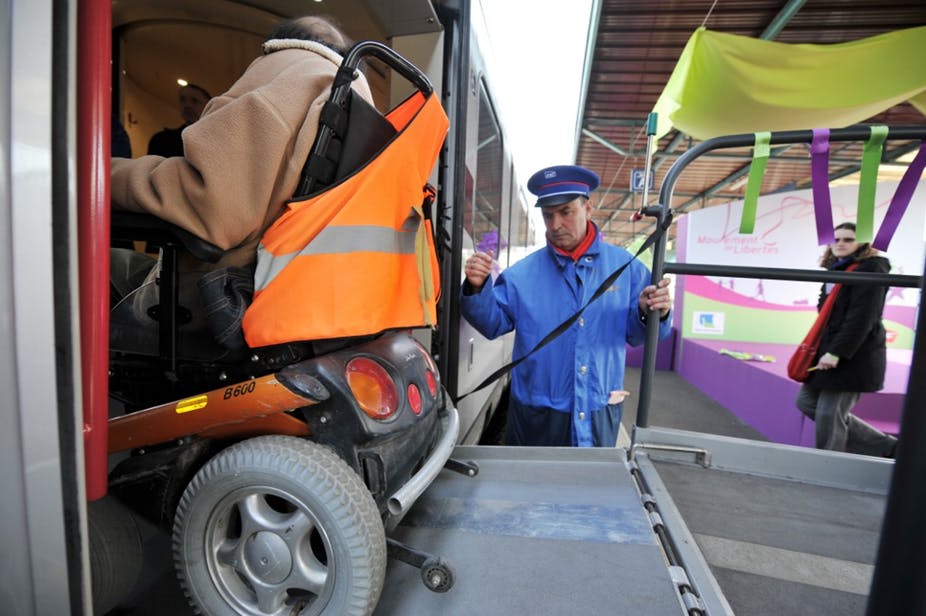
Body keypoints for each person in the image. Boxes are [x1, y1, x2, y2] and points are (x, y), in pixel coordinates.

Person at [110, 15, 372, 343]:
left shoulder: (286, 80)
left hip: (214, 302)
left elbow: (209, 207)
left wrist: (105, 178)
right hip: (297, 302)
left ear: (277, 48)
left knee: (103, 264)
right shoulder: (356, 103)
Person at [460, 164, 673, 447]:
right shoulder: (520, 276)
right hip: (538, 415)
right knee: (532, 487)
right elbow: (492, 324)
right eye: (548, 215)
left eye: (566, 212)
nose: (555, 224)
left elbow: (637, 336)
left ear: (588, 208)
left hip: (599, 410)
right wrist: (476, 287)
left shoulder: (627, 268)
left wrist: (652, 312)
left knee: (591, 486)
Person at [795, 222, 898, 457]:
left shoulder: (873, 268)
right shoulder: (838, 269)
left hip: (852, 353)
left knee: (830, 414)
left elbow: (862, 317)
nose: (840, 244)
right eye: (836, 239)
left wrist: (837, 352)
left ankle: (827, 464)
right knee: (806, 402)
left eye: (848, 239)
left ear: (863, 243)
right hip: (829, 349)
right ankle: (888, 447)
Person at [146, 83, 211, 157]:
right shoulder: (161, 140)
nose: (187, 105)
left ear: (208, 106)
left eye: (194, 101)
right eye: (182, 99)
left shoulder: (213, 144)